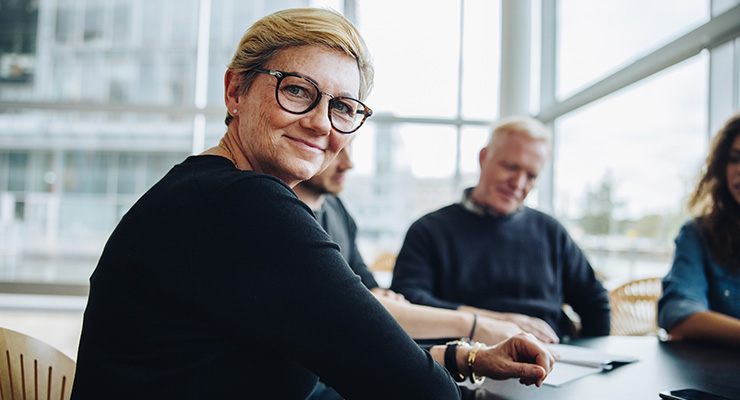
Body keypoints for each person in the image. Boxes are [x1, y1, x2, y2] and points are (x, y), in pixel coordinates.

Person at [70, 8, 553, 399]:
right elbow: (417, 391)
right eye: (297, 90)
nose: (322, 124)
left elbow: (350, 362)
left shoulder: (206, 192)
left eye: (343, 106)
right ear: (235, 90)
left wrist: (469, 357)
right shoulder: (244, 205)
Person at [391, 115, 611, 343]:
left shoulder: (551, 231)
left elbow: (595, 302)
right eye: (510, 167)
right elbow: (408, 303)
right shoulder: (429, 230)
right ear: (484, 158)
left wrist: (595, 361)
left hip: (554, 357)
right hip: (465, 361)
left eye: (531, 176)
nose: (518, 183)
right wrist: (494, 322)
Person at [294, 141, 525, 344]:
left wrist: (383, 296)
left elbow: (366, 286)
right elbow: (348, 304)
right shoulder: (289, 218)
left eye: (349, 146)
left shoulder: (337, 209)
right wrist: (477, 325)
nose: (348, 163)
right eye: (334, 150)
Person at [658, 112, 740, 347]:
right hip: (719, 378)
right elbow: (679, 314)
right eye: (734, 159)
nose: (739, 169)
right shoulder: (698, 233)